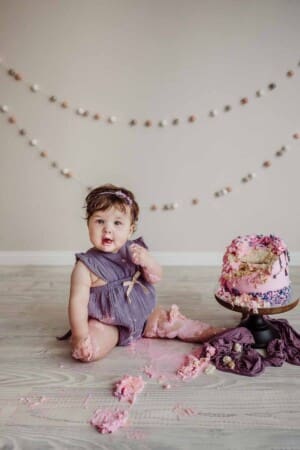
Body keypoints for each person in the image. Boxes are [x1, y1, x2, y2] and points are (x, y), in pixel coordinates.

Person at [60, 184, 224, 362]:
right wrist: (80, 335)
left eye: (117, 223)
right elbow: (77, 303)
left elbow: (156, 277)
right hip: (111, 325)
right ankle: (87, 346)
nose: (108, 229)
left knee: (173, 322)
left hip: (146, 316)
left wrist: (148, 262)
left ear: (130, 229)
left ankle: (212, 333)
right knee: (91, 348)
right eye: (100, 221)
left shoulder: (135, 251)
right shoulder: (85, 267)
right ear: (88, 225)